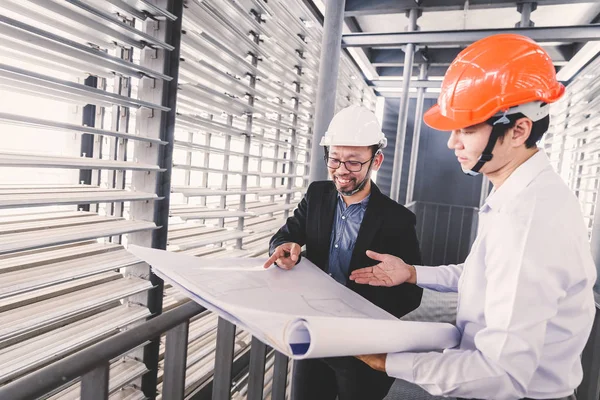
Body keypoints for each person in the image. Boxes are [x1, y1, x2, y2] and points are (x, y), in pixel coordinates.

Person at [350, 34, 597, 400]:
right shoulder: (519, 194)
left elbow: (501, 375)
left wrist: (390, 362)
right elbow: (487, 274)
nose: (453, 143)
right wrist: (414, 273)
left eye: (467, 129)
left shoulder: (530, 219)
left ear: (519, 130)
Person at [263, 105, 423, 400]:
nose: (341, 171)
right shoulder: (317, 194)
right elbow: (286, 235)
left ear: (376, 160)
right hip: (314, 334)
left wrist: (364, 322)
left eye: (353, 163)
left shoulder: (398, 219)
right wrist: (284, 247)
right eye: (334, 160)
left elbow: (412, 294)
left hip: (361, 348)